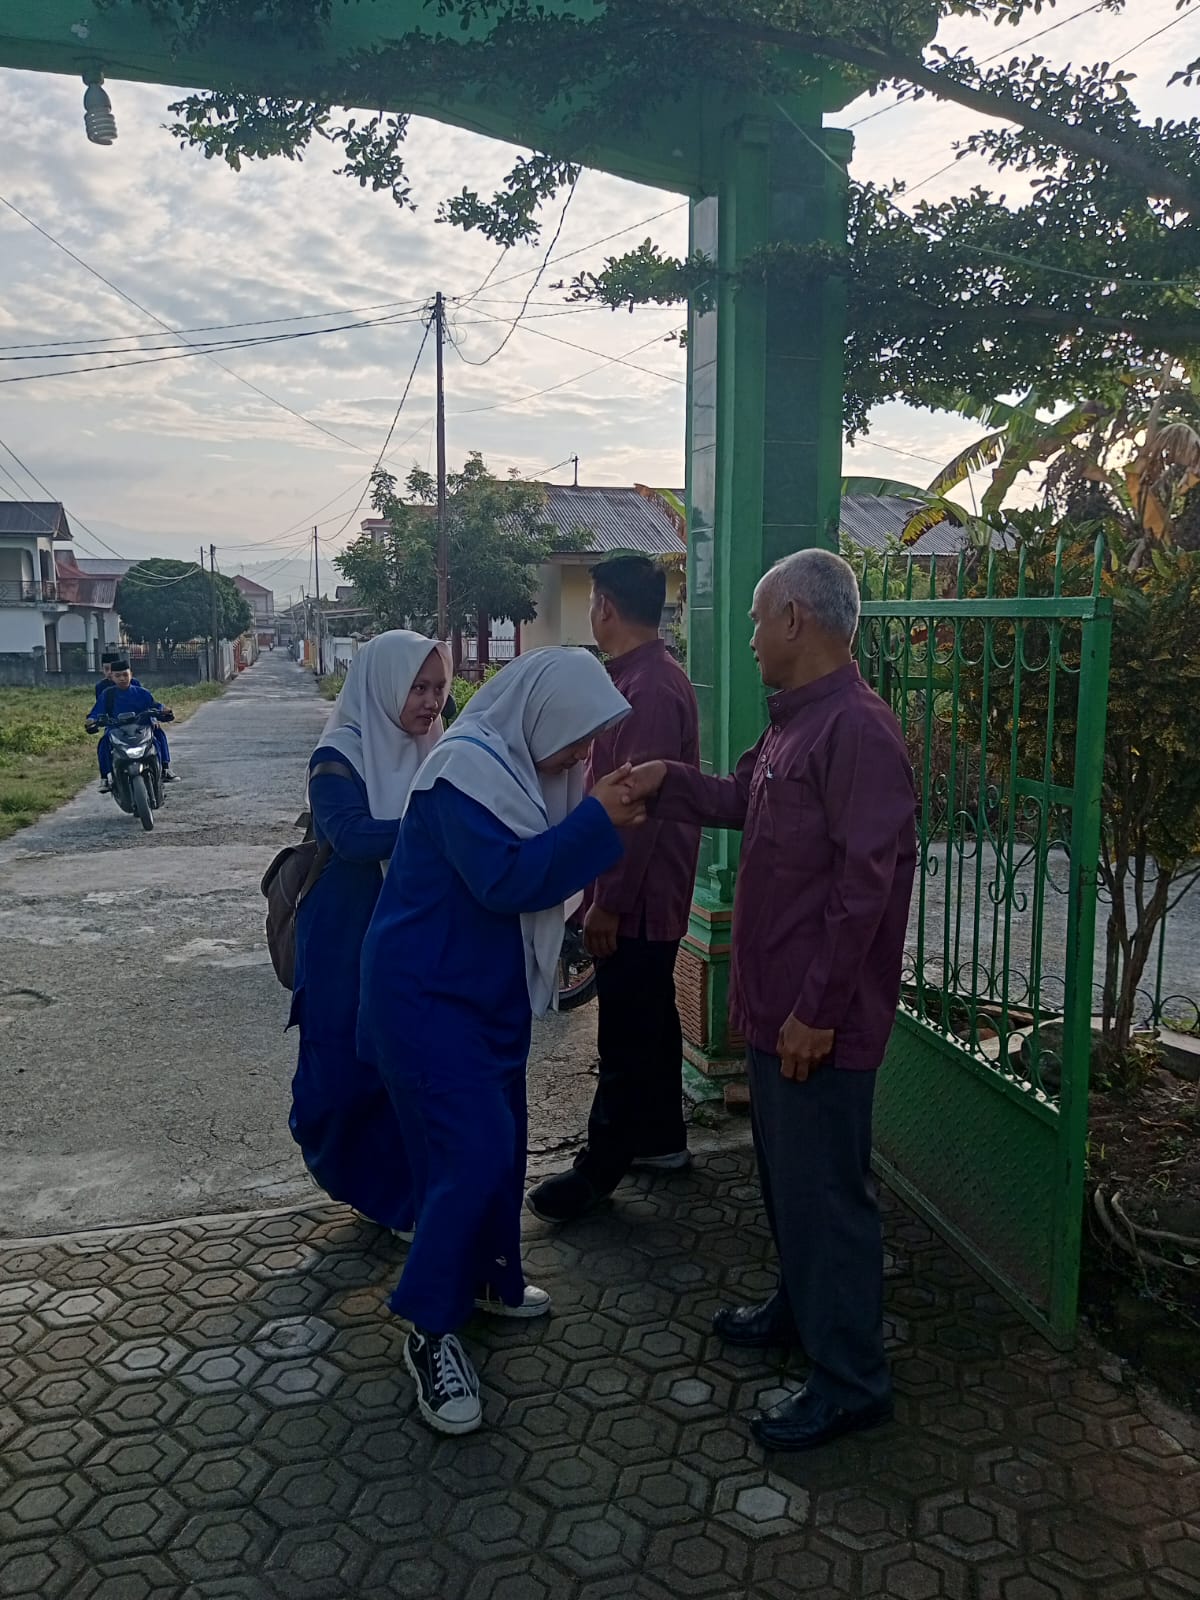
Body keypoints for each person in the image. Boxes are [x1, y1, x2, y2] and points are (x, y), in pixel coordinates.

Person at [623, 549, 917, 1453]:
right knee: (790, 1183)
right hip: (774, 1007)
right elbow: (736, 800)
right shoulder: (791, 726)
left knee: (829, 1195)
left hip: (815, 1022)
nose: (746, 638)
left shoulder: (857, 733)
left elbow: (864, 892)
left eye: (754, 619)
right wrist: (663, 781)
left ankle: (851, 1379)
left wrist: (819, 1011)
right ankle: (801, 1310)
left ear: (796, 618)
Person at [357, 649, 646, 1436]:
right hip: (424, 994)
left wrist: (596, 818)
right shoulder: (464, 773)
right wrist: (598, 822)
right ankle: (430, 1326)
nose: (586, 755)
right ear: (541, 716)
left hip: (481, 992)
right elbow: (508, 881)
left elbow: (536, 872)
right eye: (579, 737)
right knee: (472, 1152)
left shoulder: (518, 772)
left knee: (503, 1141)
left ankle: (488, 1279)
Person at [526, 557, 701, 1224]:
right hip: (638, 891)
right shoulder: (635, 678)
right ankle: (661, 1141)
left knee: (625, 1034)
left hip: (640, 892)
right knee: (650, 1017)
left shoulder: (649, 690)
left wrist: (610, 902)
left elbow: (636, 811)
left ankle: (599, 1170)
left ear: (605, 606)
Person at [289, 630, 452, 1235]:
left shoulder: (437, 748)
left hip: (407, 931)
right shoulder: (337, 756)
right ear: (383, 685)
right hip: (343, 934)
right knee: (341, 1073)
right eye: (418, 686)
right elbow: (353, 836)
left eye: (438, 687)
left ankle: (399, 1199)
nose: (432, 701)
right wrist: (438, 824)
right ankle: (366, 1184)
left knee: (401, 1068)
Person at [86, 661, 175, 792]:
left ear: (131, 675)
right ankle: (105, 777)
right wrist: (91, 720)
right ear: (112, 677)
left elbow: (154, 706)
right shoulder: (107, 694)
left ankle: (165, 768)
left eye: (125, 675)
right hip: (117, 729)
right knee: (104, 743)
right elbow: (96, 711)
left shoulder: (142, 693)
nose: (122, 678)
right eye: (118, 676)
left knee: (158, 736)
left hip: (141, 727)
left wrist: (163, 711)